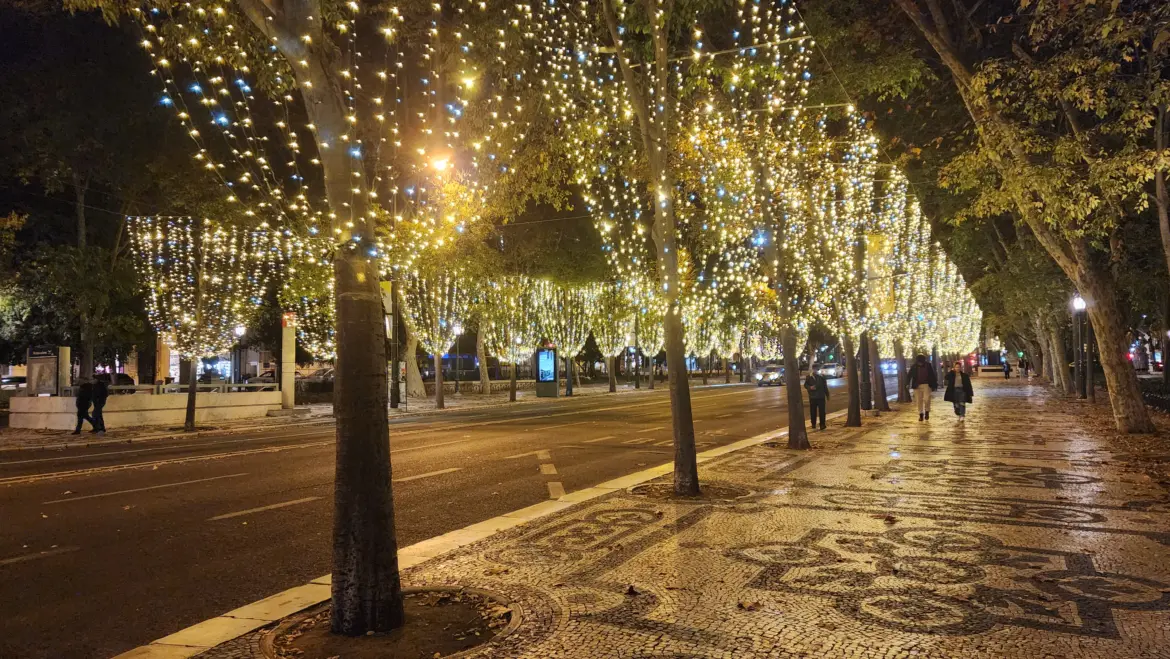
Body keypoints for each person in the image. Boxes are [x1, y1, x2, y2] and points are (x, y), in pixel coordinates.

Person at [906, 354, 938, 422]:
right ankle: (921, 414)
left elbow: (932, 375)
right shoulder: (914, 366)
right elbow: (909, 375)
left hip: (926, 384)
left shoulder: (928, 365)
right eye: (918, 362)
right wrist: (907, 383)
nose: (920, 363)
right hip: (917, 386)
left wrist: (934, 385)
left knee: (927, 399)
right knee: (918, 401)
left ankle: (927, 411)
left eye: (921, 362)